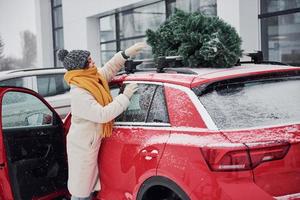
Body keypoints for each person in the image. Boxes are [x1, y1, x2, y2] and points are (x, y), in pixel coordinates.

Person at [57, 42, 145, 200]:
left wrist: (124, 54)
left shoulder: (90, 77)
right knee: (81, 191)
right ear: (81, 67)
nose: (93, 62)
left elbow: (108, 70)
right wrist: (125, 96)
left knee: (87, 187)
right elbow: (103, 114)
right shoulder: (79, 92)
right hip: (83, 146)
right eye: (90, 61)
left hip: (91, 141)